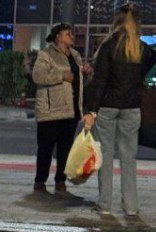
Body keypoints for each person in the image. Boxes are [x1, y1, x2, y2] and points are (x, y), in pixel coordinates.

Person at [82, 3, 156, 216]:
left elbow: (100, 81)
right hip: (132, 107)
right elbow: (147, 68)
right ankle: (131, 207)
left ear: (116, 21)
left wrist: (92, 110)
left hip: (108, 106)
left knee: (105, 155)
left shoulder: (109, 46)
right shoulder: (141, 48)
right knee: (129, 157)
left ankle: (105, 204)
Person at [31, 22, 92, 193]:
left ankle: (60, 180)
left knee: (65, 149)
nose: (72, 36)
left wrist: (86, 73)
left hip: (71, 110)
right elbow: (38, 76)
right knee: (46, 148)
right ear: (58, 37)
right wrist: (61, 75)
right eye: (68, 34)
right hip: (51, 111)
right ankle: (40, 181)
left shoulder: (75, 55)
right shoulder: (46, 54)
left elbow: (79, 81)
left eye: (71, 34)